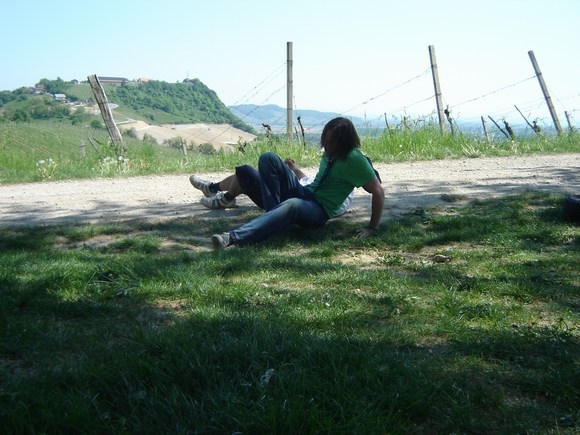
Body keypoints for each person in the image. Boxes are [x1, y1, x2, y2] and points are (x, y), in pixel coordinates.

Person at [209, 117, 384, 249]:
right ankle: (273, 218)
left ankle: (231, 238)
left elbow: (378, 191)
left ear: (343, 143)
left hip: (319, 210)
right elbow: (316, 181)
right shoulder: (330, 153)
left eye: (330, 141)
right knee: (268, 158)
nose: (325, 144)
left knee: (293, 204)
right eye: (325, 139)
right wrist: (294, 170)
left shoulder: (355, 160)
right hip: (305, 192)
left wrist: (372, 228)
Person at [189, 158, 355, 216]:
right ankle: (213, 188)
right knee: (250, 173)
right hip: (285, 192)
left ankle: (226, 198)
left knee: (246, 172)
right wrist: (294, 169)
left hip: (276, 199)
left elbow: (333, 210)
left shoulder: (342, 194)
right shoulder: (327, 179)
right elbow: (306, 180)